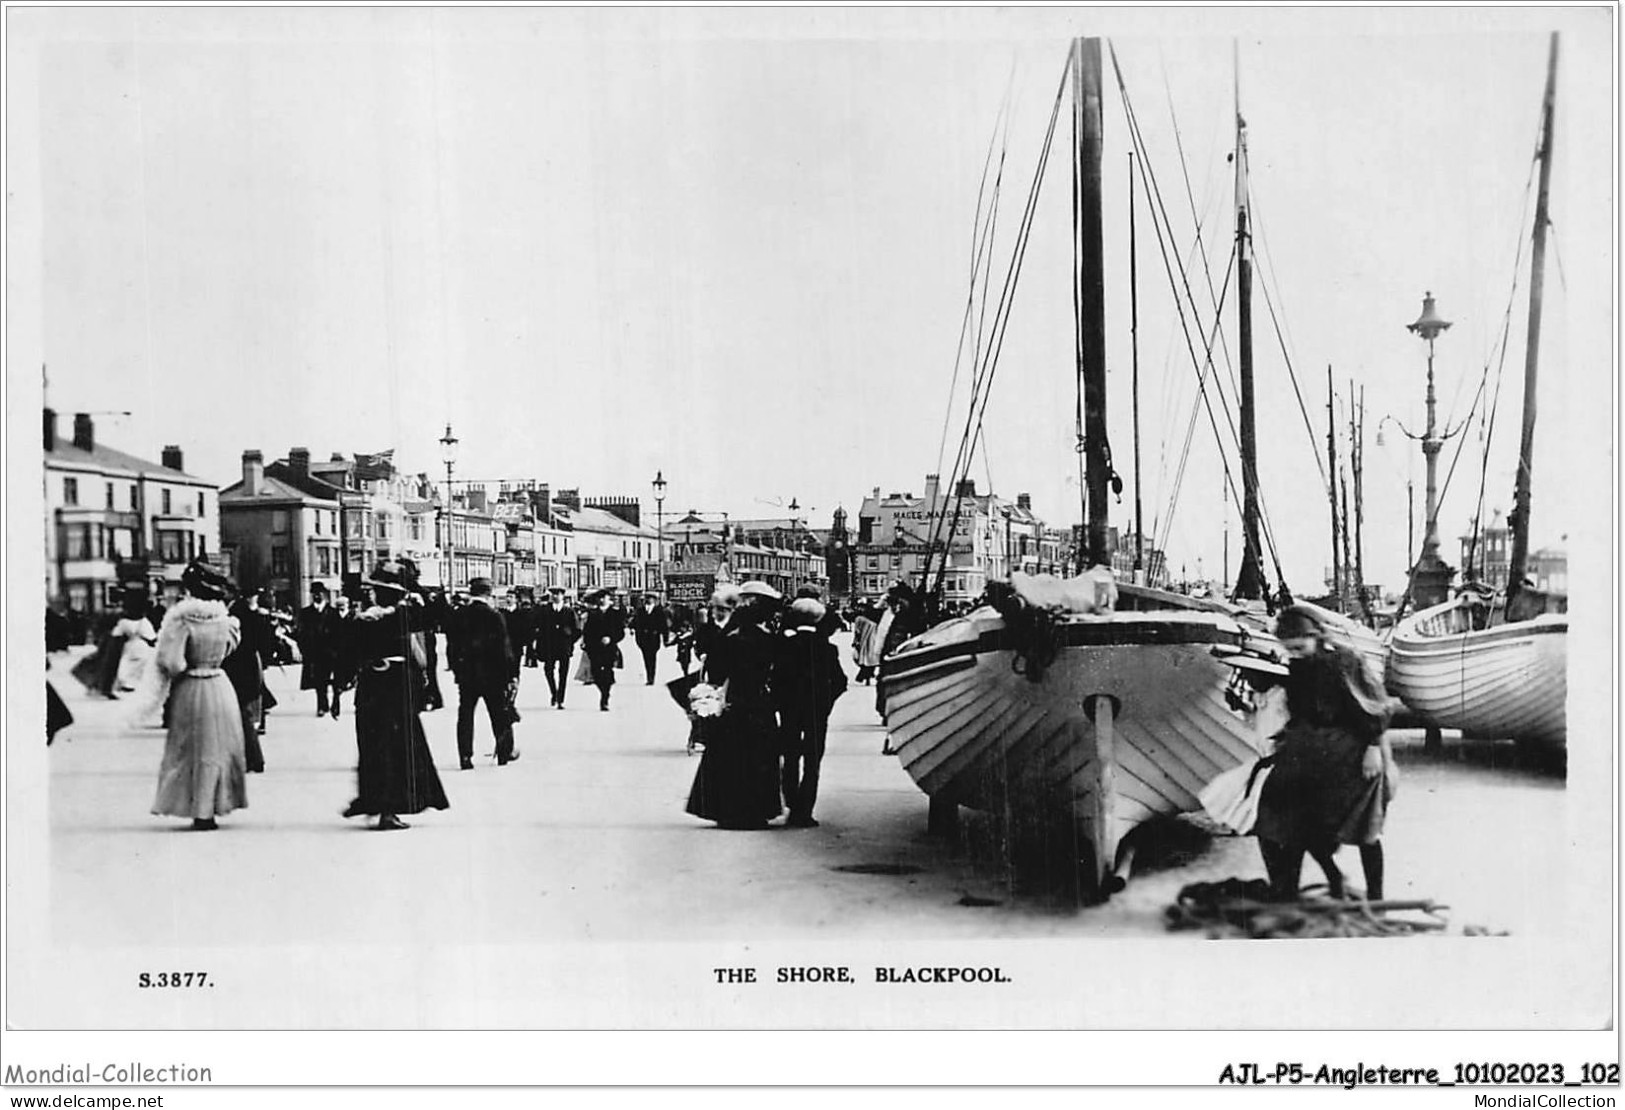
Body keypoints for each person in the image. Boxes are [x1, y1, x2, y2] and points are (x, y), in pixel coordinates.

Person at [1253, 604, 1399, 901]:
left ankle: (1376, 898)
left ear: (1317, 636)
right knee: (1280, 817)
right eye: (1289, 649)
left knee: (1363, 826)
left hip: (1351, 749)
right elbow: (1271, 682)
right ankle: (1291, 890)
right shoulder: (1294, 664)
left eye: (1300, 647)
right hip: (1306, 749)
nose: (1295, 654)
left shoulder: (1344, 661)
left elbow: (1374, 706)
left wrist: (1374, 748)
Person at [339, 558, 450, 830]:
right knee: (395, 746)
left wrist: (341, 683)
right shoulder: (401, 616)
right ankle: (383, 806)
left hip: (375, 688)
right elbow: (435, 615)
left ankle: (378, 803)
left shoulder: (374, 619)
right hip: (395, 687)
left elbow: (347, 654)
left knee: (376, 745)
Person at [150, 561, 248, 831]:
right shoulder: (226, 621)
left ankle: (198, 809)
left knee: (191, 748)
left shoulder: (182, 621)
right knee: (219, 748)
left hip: (192, 686)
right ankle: (215, 805)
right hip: (219, 684)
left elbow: (172, 662)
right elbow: (230, 649)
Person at [685, 585, 783, 829]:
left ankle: (728, 809)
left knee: (730, 757)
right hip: (759, 703)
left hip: (735, 702)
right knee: (758, 757)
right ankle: (757, 810)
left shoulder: (729, 639)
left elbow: (717, 673)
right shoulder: (768, 639)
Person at [774, 597, 847, 828]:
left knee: (791, 756)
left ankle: (792, 803)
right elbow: (840, 682)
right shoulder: (827, 649)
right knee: (813, 761)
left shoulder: (785, 647)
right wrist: (826, 703)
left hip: (790, 711)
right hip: (817, 712)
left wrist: (781, 703)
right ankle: (804, 811)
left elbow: (775, 681)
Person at [450, 577, 520, 769]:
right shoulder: (495, 616)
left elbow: (452, 647)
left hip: (467, 675)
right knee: (498, 713)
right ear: (488, 594)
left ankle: (465, 757)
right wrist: (510, 675)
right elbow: (504, 649)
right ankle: (503, 754)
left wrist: (458, 671)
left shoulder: (459, 615)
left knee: (465, 715)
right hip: (493, 676)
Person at [224, 588, 276, 773]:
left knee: (241, 713)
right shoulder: (256, 616)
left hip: (237, 667)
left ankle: (252, 758)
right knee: (245, 711)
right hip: (251, 665)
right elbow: (264, 643)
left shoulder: (235, 615)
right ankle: (253, 758)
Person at [296, 582, 343, 718]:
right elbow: (301, 633)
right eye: (315, 593)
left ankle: (335, 703)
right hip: (315, 653)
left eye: (320, 593)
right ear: (312, 595)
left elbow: (339, 633)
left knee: (336, 681)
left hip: (331, 653)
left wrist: (337, 650)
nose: (318, 595)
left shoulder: (333, 613)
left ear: (325, 594)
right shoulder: (306, 613)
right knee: (319, 681)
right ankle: (322, 706)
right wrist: (304, 650)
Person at [536, 586, 580, 708]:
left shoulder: (569, 611)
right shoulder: (544, 611)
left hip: (564, 647)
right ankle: (553, 693)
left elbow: (577, 630)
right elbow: (538, 627)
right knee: (548, 670)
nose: (555, 596)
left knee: (563, 673)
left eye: (558, 594)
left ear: (563, 596)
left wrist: (569, 641)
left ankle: (560, 699)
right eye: (553, 594)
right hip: (549, 646)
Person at [581, 590, 626, 711]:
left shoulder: (615, 614)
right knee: (596, 672)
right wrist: (585, 642)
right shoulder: (593, 613)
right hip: (594, 648)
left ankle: (604, 697)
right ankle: (604, 689)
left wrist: (611, 639)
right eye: (600, 598)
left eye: (604, 597)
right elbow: (587, 631)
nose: (601, 600)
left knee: (607, 670)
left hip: (609, 648)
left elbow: (621, 632)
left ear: (608, 599)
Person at [113, 596, 158, 694]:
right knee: (140, 666)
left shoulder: (123, 622)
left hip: (129, 645)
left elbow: (116, 634)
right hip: (142, 646)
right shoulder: (144, 622)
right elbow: (152, 637)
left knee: (125, 664)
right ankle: (138, 684)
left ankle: (126, 683)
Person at [630, 593, 670, 685]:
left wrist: (665, 639)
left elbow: (663, 626)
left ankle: (651, 677)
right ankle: (649, 675)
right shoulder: (640, 611)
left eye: (650, 599)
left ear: (654, 600)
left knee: (652, 657)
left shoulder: (659, 611)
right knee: (646, 657)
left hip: (654, 638)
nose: (648, 600)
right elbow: (635, 622)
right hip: (642, 638)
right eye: (647, 598)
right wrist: (632, 629)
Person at [850, 604, 880, 684]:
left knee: (864, 659)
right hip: (875, 639)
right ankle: (867, 675)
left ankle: (863, 676)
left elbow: (857, 632)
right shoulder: (876, 618)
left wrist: (855, 641)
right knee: (871, 659)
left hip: (865, 640)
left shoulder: (859, 619)